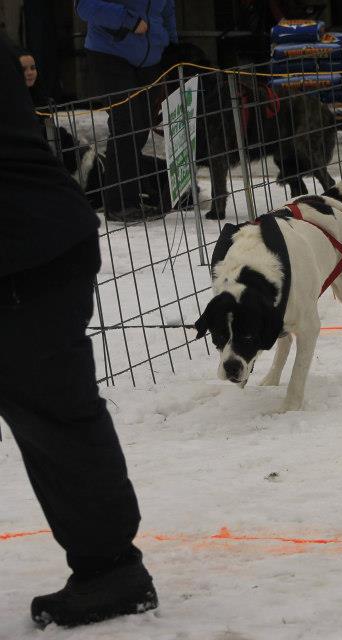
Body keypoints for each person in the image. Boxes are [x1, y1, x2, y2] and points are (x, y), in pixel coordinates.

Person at [0, 39, 156, 628]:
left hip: (25, 251)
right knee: (56, 413)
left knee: (57, 415)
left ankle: (112, 570)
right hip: (41, 236)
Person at [75, 0, 178, 222]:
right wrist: (128, 21)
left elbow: (167, 8)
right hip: (109, 53)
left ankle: (129, 198)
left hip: (151, 58)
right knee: (127, 124)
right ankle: (120, 204)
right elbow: (84, 6)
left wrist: (171, 44)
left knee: (140, 127)